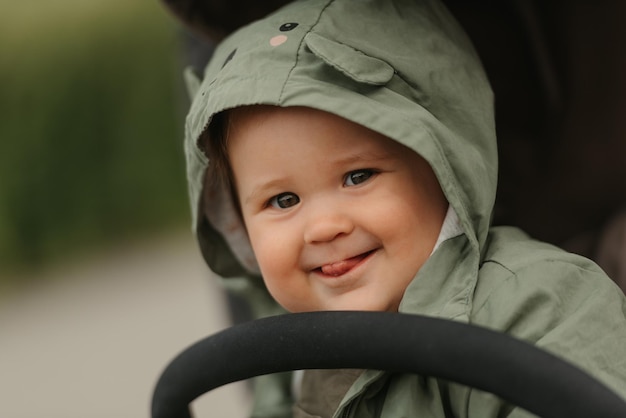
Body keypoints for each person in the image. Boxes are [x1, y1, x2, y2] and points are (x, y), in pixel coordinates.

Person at [181, 0, 626, 416]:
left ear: (444, 166)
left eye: (358, 177)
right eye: (283, 200)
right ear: (237, 221)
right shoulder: (284, 360)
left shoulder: (536, 305)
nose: (323, 228)